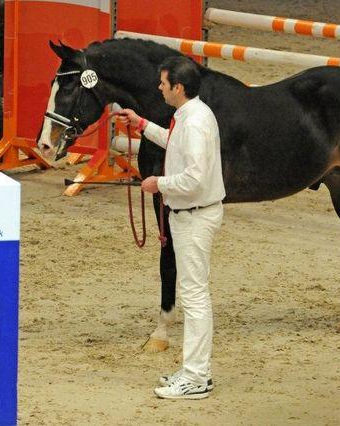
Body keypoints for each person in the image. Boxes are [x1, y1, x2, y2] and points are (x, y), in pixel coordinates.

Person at [118, 56, 225, 400]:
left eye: (163, 83)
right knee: (194, 294)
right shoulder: (190, 115)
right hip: (190, 215)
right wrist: (142, 124)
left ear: (178, 87)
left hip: (194, 214)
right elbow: (173, 142)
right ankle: (193, 370)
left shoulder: (194, 123)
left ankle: (197, 376)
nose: (159, 88)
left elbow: (194, 178)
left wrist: (158, 184)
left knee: (194, 296)